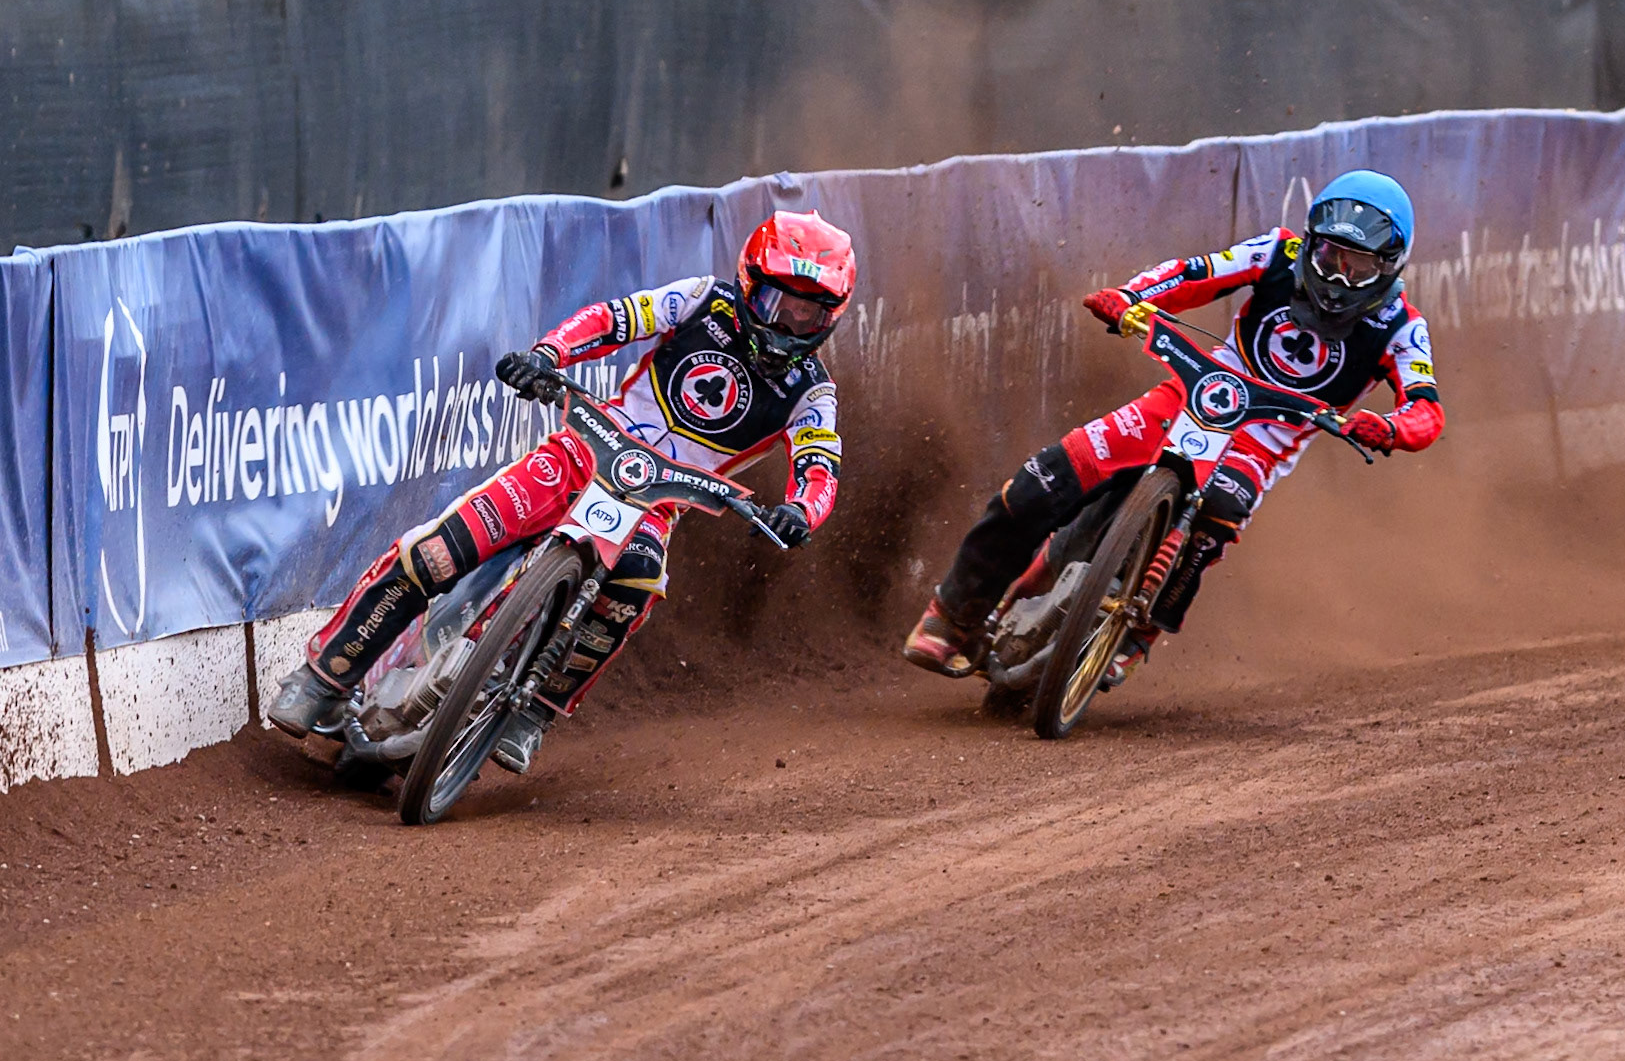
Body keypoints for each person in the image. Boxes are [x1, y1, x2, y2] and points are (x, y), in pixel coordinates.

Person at [271, 209, 855, 773]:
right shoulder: (705, 300)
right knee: (441, 549)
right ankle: (323, 678)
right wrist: (549, 355)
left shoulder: (814, 393)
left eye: (807, 315)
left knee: (637, 584)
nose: (787, 325)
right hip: (585, 451)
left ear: (830, 318)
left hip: (656, 502)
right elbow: (614, 318)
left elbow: (819, 466)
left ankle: (537, 714)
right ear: (749, 284)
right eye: (778, 304)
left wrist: (800, 512)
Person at [903, 169, 1444, 677]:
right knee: (1043, 481)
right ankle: (951, 616)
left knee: (1218, 518)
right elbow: (1198, 273)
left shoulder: (1401, 327)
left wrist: (1391, 428)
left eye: (1359, 265)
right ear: (1311, 241)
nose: (1336, 275)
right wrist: (1132, 297)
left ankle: (1136, 640)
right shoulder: (1279, 252)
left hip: (1262, 442)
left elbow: (1426, 408)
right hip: (1191, 394)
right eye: (1329, 255)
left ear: (1391, 266)